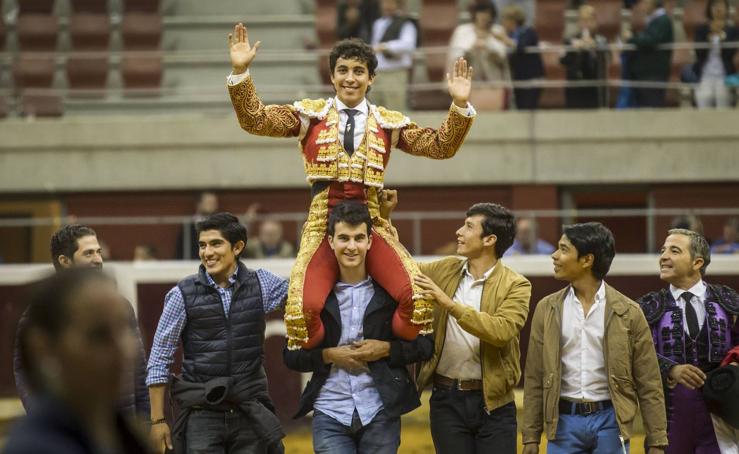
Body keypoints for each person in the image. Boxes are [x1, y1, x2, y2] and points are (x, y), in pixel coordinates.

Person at [226, 23, 475, 350]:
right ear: (332, 77)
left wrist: (458, 106)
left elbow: (440, 146)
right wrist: (240, 72)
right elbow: (255, 120)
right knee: (301, 314)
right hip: (321, 224)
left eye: (359, 71)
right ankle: (331, 357)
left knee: (418, 301)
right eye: (342, 70)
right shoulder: (309, 116)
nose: (350, 78)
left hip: (370, 223)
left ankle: (384, 352)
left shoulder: (388, 122)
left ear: (371, 78)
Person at [380, 189, 531, 453]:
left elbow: (502, 330)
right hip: (446, 399)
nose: (459, 232)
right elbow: (400, 268)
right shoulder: (447, 268)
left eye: (469, 227)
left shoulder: (517, 285)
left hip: (494, 403)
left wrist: (448, 304)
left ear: (490, 239)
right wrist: (384, 216)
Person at [283, 201, 433, 454]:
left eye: (358, 238)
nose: (351, 246)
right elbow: (291, 356)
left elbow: (425, 346)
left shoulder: (391, 293)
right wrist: (329, 355)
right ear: (330, 241)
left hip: (379, 408)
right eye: (344, 238)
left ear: (370, 242)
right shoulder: (314, 296)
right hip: (330, 409)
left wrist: (385, 349)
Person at [146, 213, 288, 454]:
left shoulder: (263, 283)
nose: (207, 252)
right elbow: (160, 357)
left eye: (215, 243)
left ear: (238, 246)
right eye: (202, 245)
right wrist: (158, 421)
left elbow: (304, 303)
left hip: (248, 411)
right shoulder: (182, 294)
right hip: (203, 414)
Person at [522, 222, 668, 454]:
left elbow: (649, 381)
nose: (555, 255)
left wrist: (657, 440)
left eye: (563, 249)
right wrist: (530, 435)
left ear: (587, 260)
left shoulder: (629, 312)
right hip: (562, 422)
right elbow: (534, 377)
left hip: (612, 422)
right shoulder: (546, 309)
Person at [5, 269, 150, 454]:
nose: (123, 350)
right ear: (45, 348)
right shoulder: (36, 446)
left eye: (124, 328)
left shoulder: (122, 433)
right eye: (99, 335)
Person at [13, 224, 149, 418]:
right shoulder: (40, 312)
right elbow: (25, 374)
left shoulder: (119, 306)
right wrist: (48, 419)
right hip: (66, 427)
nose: (98, 259)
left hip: (120, 424)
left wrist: (145, 420)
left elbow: (138, 369)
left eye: (99, 252)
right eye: (88, 253)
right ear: (65, 261)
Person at [637, 228, 739, 453]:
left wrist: (734, 365)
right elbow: (634, 353)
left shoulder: (727, 300)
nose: (664, 256)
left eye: (674, 251)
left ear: (697, 262)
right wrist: (670, 369)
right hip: (669, 416)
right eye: (663, 250)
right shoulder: (647, 306)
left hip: (722, 416)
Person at [447, 0, 510, 110]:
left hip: (494, 83)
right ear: (474, 14)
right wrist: (472, 49)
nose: (484, 16)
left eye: (488, 13)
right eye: (481, 12)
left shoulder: (498, 31)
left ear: (492, 16)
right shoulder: (462, 31)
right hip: (469, 84)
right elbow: (455, 58)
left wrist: (489, 50)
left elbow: (504, 58)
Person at [622, 0, 673, 108]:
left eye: (645, 2)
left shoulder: (663, 21)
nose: (642, 6)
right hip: (644, 75)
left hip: (653, 75)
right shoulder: (653, 21)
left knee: (652, 112)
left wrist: (631, 38)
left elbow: (650, 41)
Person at [369, 0, 417, 111]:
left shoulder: (406, 23)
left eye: (390, 3)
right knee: (375, 110)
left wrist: (385, 46)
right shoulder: (378, 23)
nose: (387, 6)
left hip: (395, 72)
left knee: (395, 110)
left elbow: (408, 45)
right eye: (384, 3)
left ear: (398, 5)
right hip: (377, 72)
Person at [560, 4, 609, 109]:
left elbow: (608, 59)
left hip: (595, 87)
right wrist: (574, 50)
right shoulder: (570, 40)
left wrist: (594, 48)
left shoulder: (602, 40)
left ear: (595, 22)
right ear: (579, 22)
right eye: (583, 20)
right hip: (575, 87)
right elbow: (562, 61)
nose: (586, 24)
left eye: (589, 20)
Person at [497, 4, 545, 110]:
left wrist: (504, 39)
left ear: (512, 20)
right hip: (517, 78)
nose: (503, 23)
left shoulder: (528, 32)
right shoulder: (510, 34)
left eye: (504, 20)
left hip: (532, 78)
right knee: (520, 108)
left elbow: (521, 47)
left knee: (528, 108)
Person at [693, 0, 738, 109]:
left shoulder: (733, 30)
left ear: (727, 9)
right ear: (710, 9)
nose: (718, 9)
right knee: (703, 99)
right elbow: (698, 53)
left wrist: (723, 38)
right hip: (705, 75)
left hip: (724, 76)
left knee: (722, 101)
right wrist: (709, 38)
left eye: (721, 6)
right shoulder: (701, 29)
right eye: (715, 6)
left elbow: (730, 54)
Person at [176, 191, 219, 260]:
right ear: (199, 204)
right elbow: (180, 251)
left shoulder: (220, 224)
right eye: (209, 202)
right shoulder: (188, 226)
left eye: (214, 203)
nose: (212, 206)